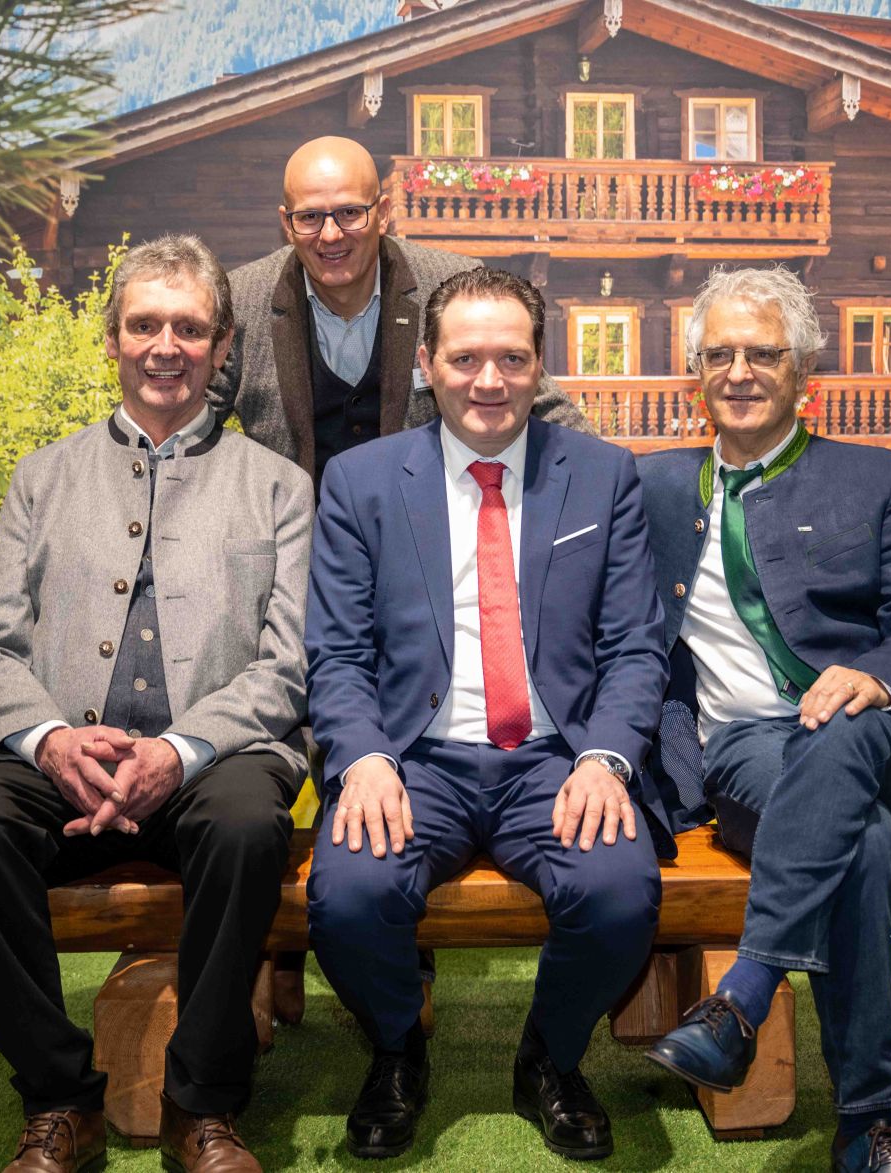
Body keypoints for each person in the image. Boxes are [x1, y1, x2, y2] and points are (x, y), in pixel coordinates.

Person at [0, 234, 312, 1173]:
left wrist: (178, 751)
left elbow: (290, 664)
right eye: (145, 324)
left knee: (248, 823)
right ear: (113, 338)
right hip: (63, 766)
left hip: (211, 765)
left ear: (223, 346)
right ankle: (59, 1098)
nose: (165, 346)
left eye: (189, 327)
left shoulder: (278, 485)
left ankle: (204, 1106)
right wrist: (52, 741)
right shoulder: (43, 476)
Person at [303, 268, 670, 1161]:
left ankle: (548, 1055)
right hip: (411, 757)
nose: (489, 380)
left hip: (556, 757)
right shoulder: (360, 482)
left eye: (512, 356)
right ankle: (397, 1048)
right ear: (427, 363)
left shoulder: (603, 476)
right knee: (348, 896)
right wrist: (363, 759)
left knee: (620, 890)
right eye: (466, 357)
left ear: (541, 364)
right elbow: (338, 653)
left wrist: (605, 759)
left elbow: (635, 648)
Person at [637, 267, 891, 1173]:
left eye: (763, 353)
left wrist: (874, 675)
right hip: (751, 750)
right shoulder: (656, 490)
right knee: (857, 845)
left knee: (847, 721)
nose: (740, 370)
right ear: (695, 375)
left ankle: (742, 997)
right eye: (720, 355)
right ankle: (869, 1122)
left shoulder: (877, 477)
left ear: (803, 373)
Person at [213, 135, 589, 487]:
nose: (330, 235)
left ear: (383, 214)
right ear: (287, 224)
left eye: (349, 212)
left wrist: (615, 482)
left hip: (426, 537)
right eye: (310, 217)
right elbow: (189, 416)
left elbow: (539, 403)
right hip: (298, 543)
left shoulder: (455, 288)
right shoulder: (241, 300)